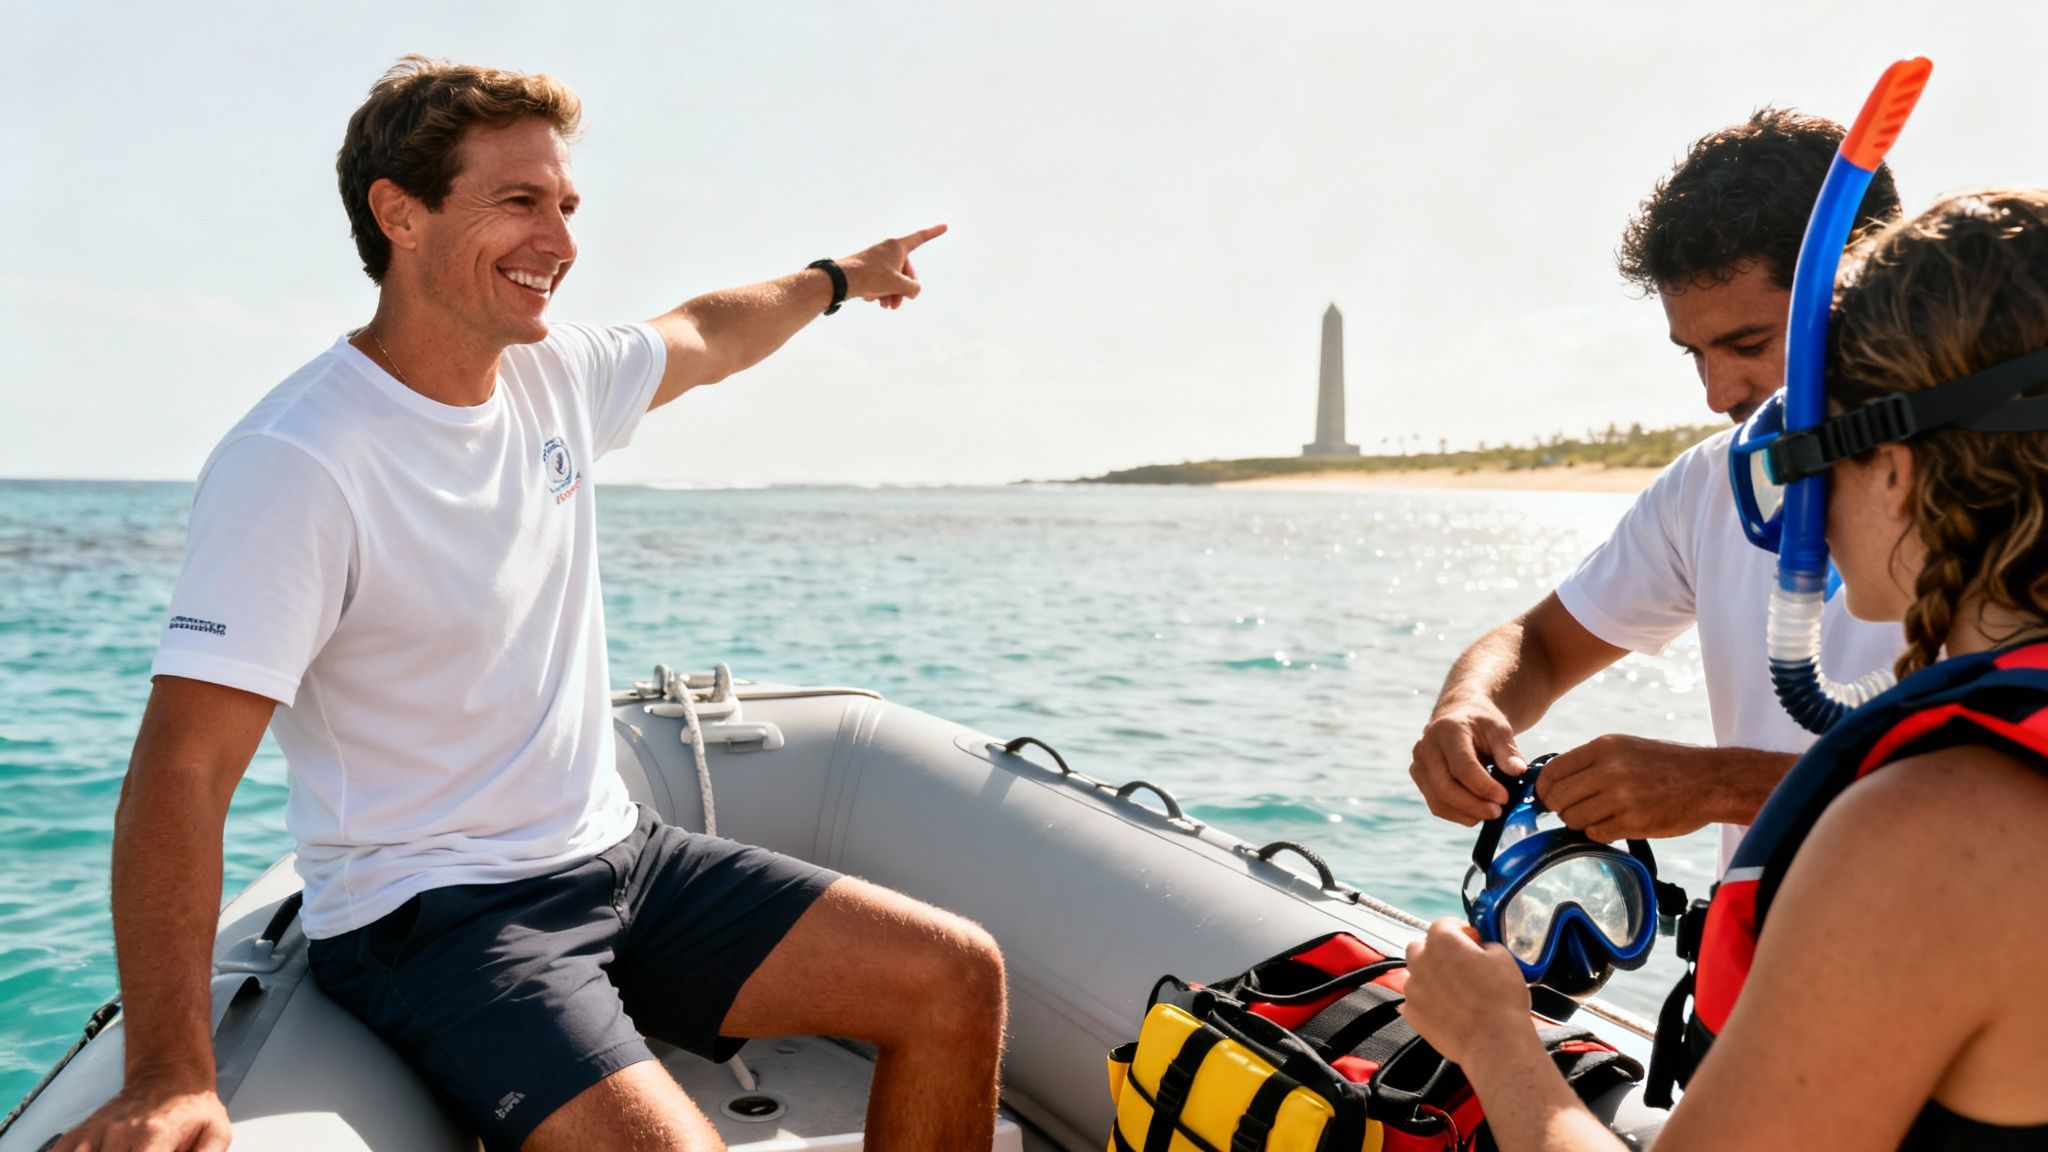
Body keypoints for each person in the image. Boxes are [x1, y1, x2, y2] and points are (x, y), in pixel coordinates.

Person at [57, 58, 1005, 1152]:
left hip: (619, 858)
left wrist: (841, 277)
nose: (557, 240)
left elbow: (709, 330)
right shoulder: (298, 462)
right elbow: (181, 769)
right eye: (517, 202)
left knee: (954, 976)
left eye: (563, 205)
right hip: (435, 915)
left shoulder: (555, 374)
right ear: (398, 214)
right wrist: (171, 1071)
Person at [1402, 187, 2048, 1149]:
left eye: (1807, 449)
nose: (1797, 502)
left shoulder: (1931, 831)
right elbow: (1534, 640)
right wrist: (1467, 702)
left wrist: (1491, 1035)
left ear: (1899, 468)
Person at [1410, 110, 1903, 873]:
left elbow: (1995, 789)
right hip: (1760, 973)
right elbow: (1537, 645)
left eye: (1747, 344)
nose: (1718, 394)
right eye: (1694, 355)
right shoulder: (1710, 485)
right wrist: (1469, 704)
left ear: (1874, 290)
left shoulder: (2002, 493)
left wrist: (1720, 786)